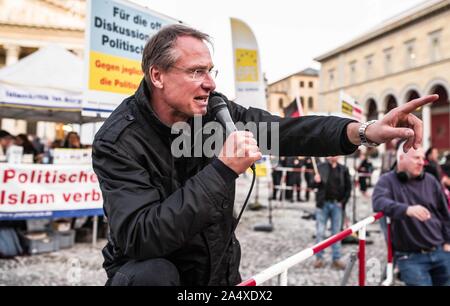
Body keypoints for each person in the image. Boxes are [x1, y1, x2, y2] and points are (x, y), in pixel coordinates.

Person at [92, 24, 439, 286]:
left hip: (218, 273)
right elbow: (141, 235)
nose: (210, 83)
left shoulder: (215, 111)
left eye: (211, 71)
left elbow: (290, 131)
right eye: (196, 71)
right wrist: (223, 169)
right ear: (158, 76)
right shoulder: (118, 141)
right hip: (156, 277)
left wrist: (364, 131)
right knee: (154, 273)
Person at [372, 141, 450, 286]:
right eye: (416, 158)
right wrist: (407, 210)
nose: (422, 162)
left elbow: (445, 214)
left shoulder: (431, 181)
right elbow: (378, 202)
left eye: (422, 158)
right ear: (401, 158)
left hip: (441, 252)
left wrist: (447, 242)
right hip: (410, 258)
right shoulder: (387, 180)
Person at [312, 156, 351, 270]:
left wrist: (342, 202)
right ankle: (319, 258)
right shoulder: (320, 167)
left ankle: (336, 259)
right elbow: (312, 184)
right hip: (322, 204)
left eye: (336, 154)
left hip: (337, 205)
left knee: (336, 233)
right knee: (320, 232)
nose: (334, 156)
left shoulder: (343, 169)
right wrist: (315, 180)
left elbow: (348, 188)